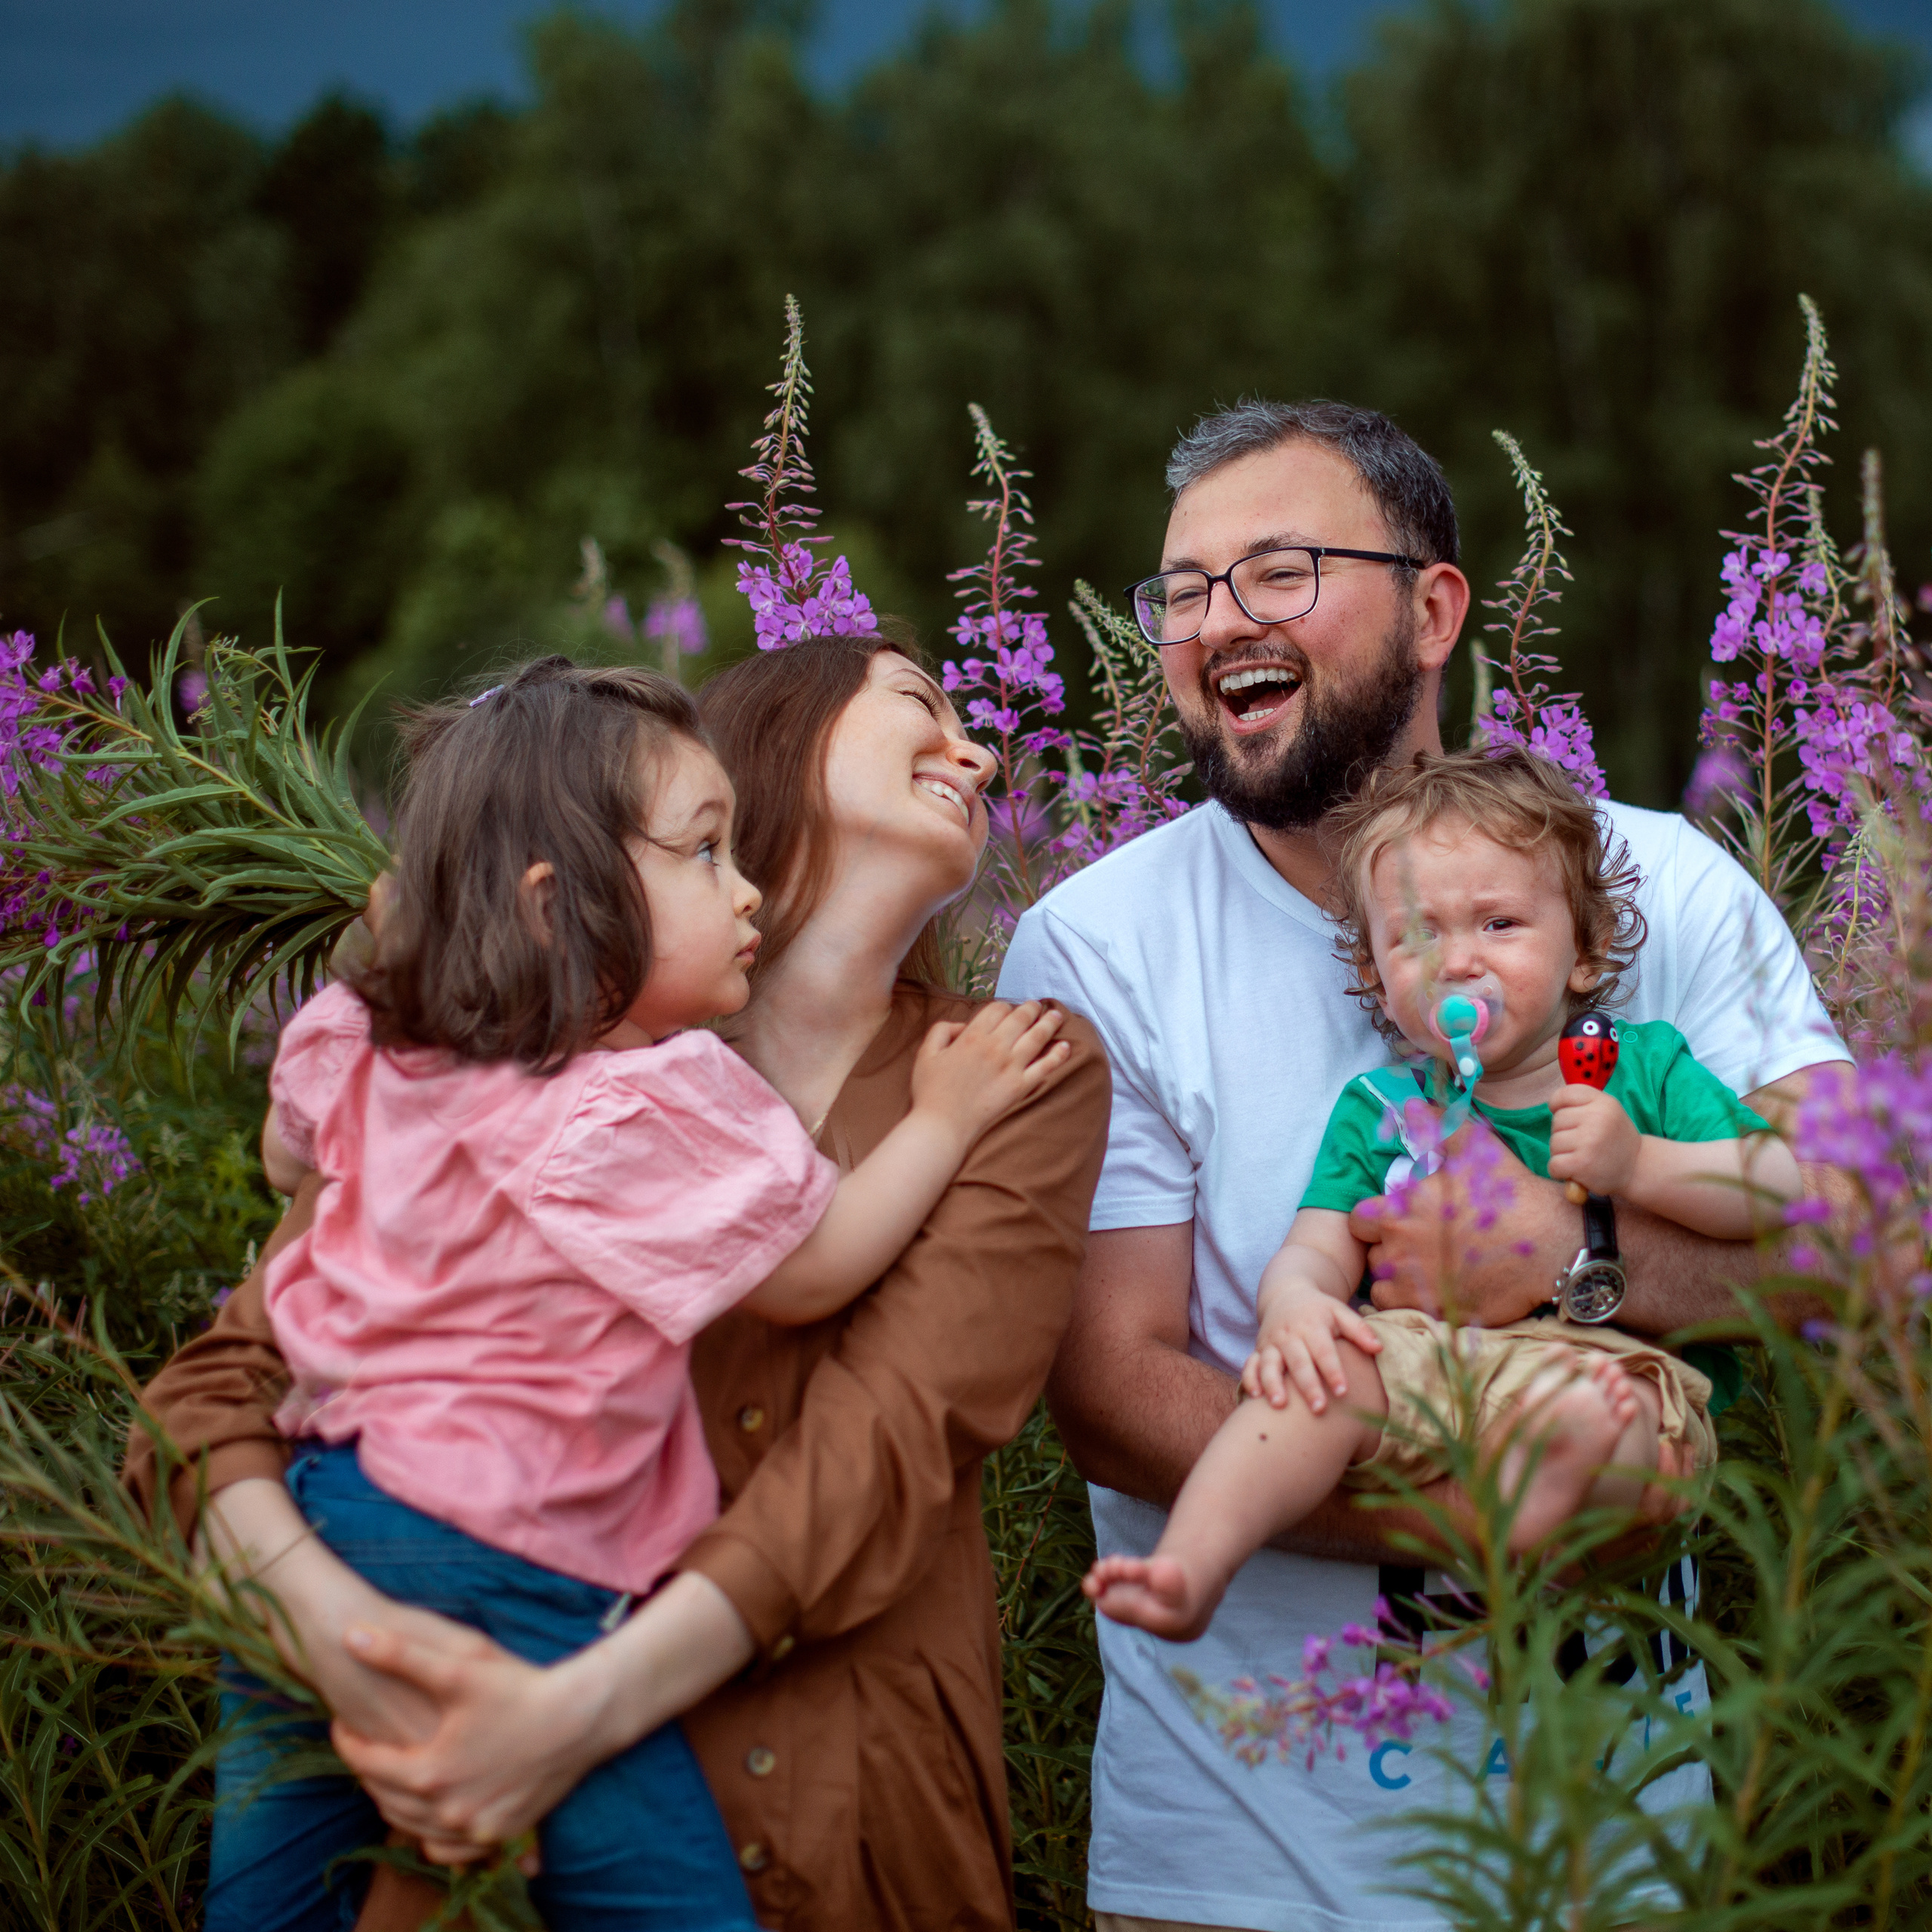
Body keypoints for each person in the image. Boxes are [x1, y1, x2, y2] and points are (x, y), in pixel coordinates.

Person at [996, 398, 1847, 1932]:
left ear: (1435, 606)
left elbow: (1858, 1233)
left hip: (1607, 1857)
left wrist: (1573, 1254)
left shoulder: (1653, 888)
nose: (1212, 625)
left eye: (1274, 571)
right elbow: (1110, 1386)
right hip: (1234, 1866)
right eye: (1181, 590)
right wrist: (1482, 1510)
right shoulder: (1095, 942)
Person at [125, 634, 1112, 1932]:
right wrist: (365, 1663)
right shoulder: (539, 1056)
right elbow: (214, 1394)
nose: (979, 751)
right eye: (917, 705)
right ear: (765, 753)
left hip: (853, 1826)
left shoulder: (1014, 1071)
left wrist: (546, 1714)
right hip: (517, 1722)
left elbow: (888, 1442)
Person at [1084, 746, 1802, 1644]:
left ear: (1585, 951)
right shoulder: (1387, 1108)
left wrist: (1640, 1166)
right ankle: (1192, 1560)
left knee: (1617, 1432)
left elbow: (1776, 1189)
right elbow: (1317, 1241)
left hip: (1600, 1370)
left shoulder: (1642, 1068)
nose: (1458, 961)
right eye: (1418, 937)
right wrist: (1296, 1306)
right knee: (1316, 1378)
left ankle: (1525, 1521)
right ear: (1377, 977)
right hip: (1432, 1362)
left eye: (1498, 923)